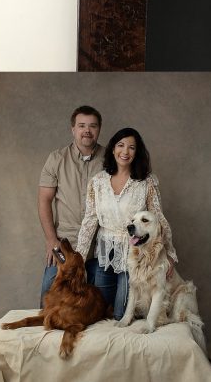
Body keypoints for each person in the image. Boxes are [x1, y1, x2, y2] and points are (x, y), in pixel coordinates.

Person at [76, 127, 177, 320]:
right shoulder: (97, 182)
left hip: (135, 254)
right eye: (121, 145)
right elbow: (89, 221)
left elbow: (158, 218)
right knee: (98, 311)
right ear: (113, 149)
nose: (125, 151)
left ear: (137, 152)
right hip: (105, 252)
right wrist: (79, 257)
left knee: (121, 313)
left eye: (131, 147)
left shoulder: (147, 183)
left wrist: (170, 253)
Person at [38, 106, 105, 305]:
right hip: (65, 245)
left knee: (98, 307)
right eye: (82, 125)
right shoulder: (56, 159)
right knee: (49, 300)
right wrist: (51, 240)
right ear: (73, 129)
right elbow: (44, 200)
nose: (87, 130)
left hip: (99, 246)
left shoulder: (110, 159)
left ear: (99, 129)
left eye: (92, 126)